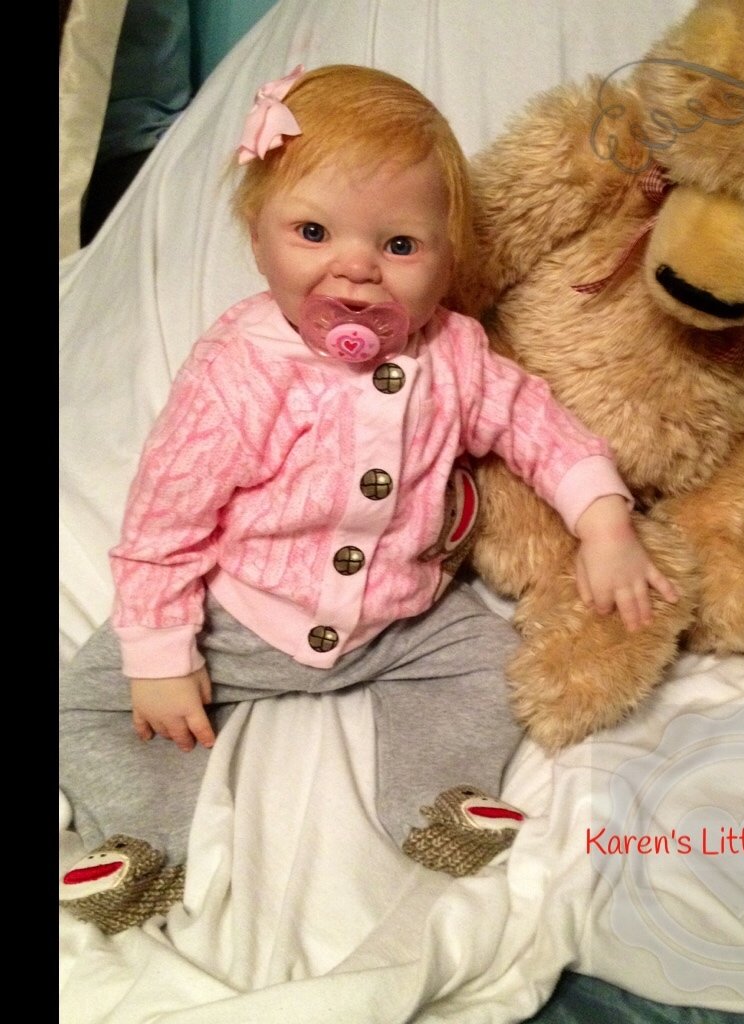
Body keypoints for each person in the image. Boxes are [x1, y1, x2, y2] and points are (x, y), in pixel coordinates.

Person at [59, 64, 678, 933]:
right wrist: (162, 653)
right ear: (257, 235)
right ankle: (140, 842)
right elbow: (164, 521)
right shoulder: (239, 370)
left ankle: (436, 801)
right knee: (95, 693)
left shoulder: (454, 352)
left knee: (490, 664)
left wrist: (605, 523)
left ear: (448, 257)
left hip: (402, 617)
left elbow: (535, 423)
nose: (355, 269)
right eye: (313, 232)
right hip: (243, 616)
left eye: (400, 246)